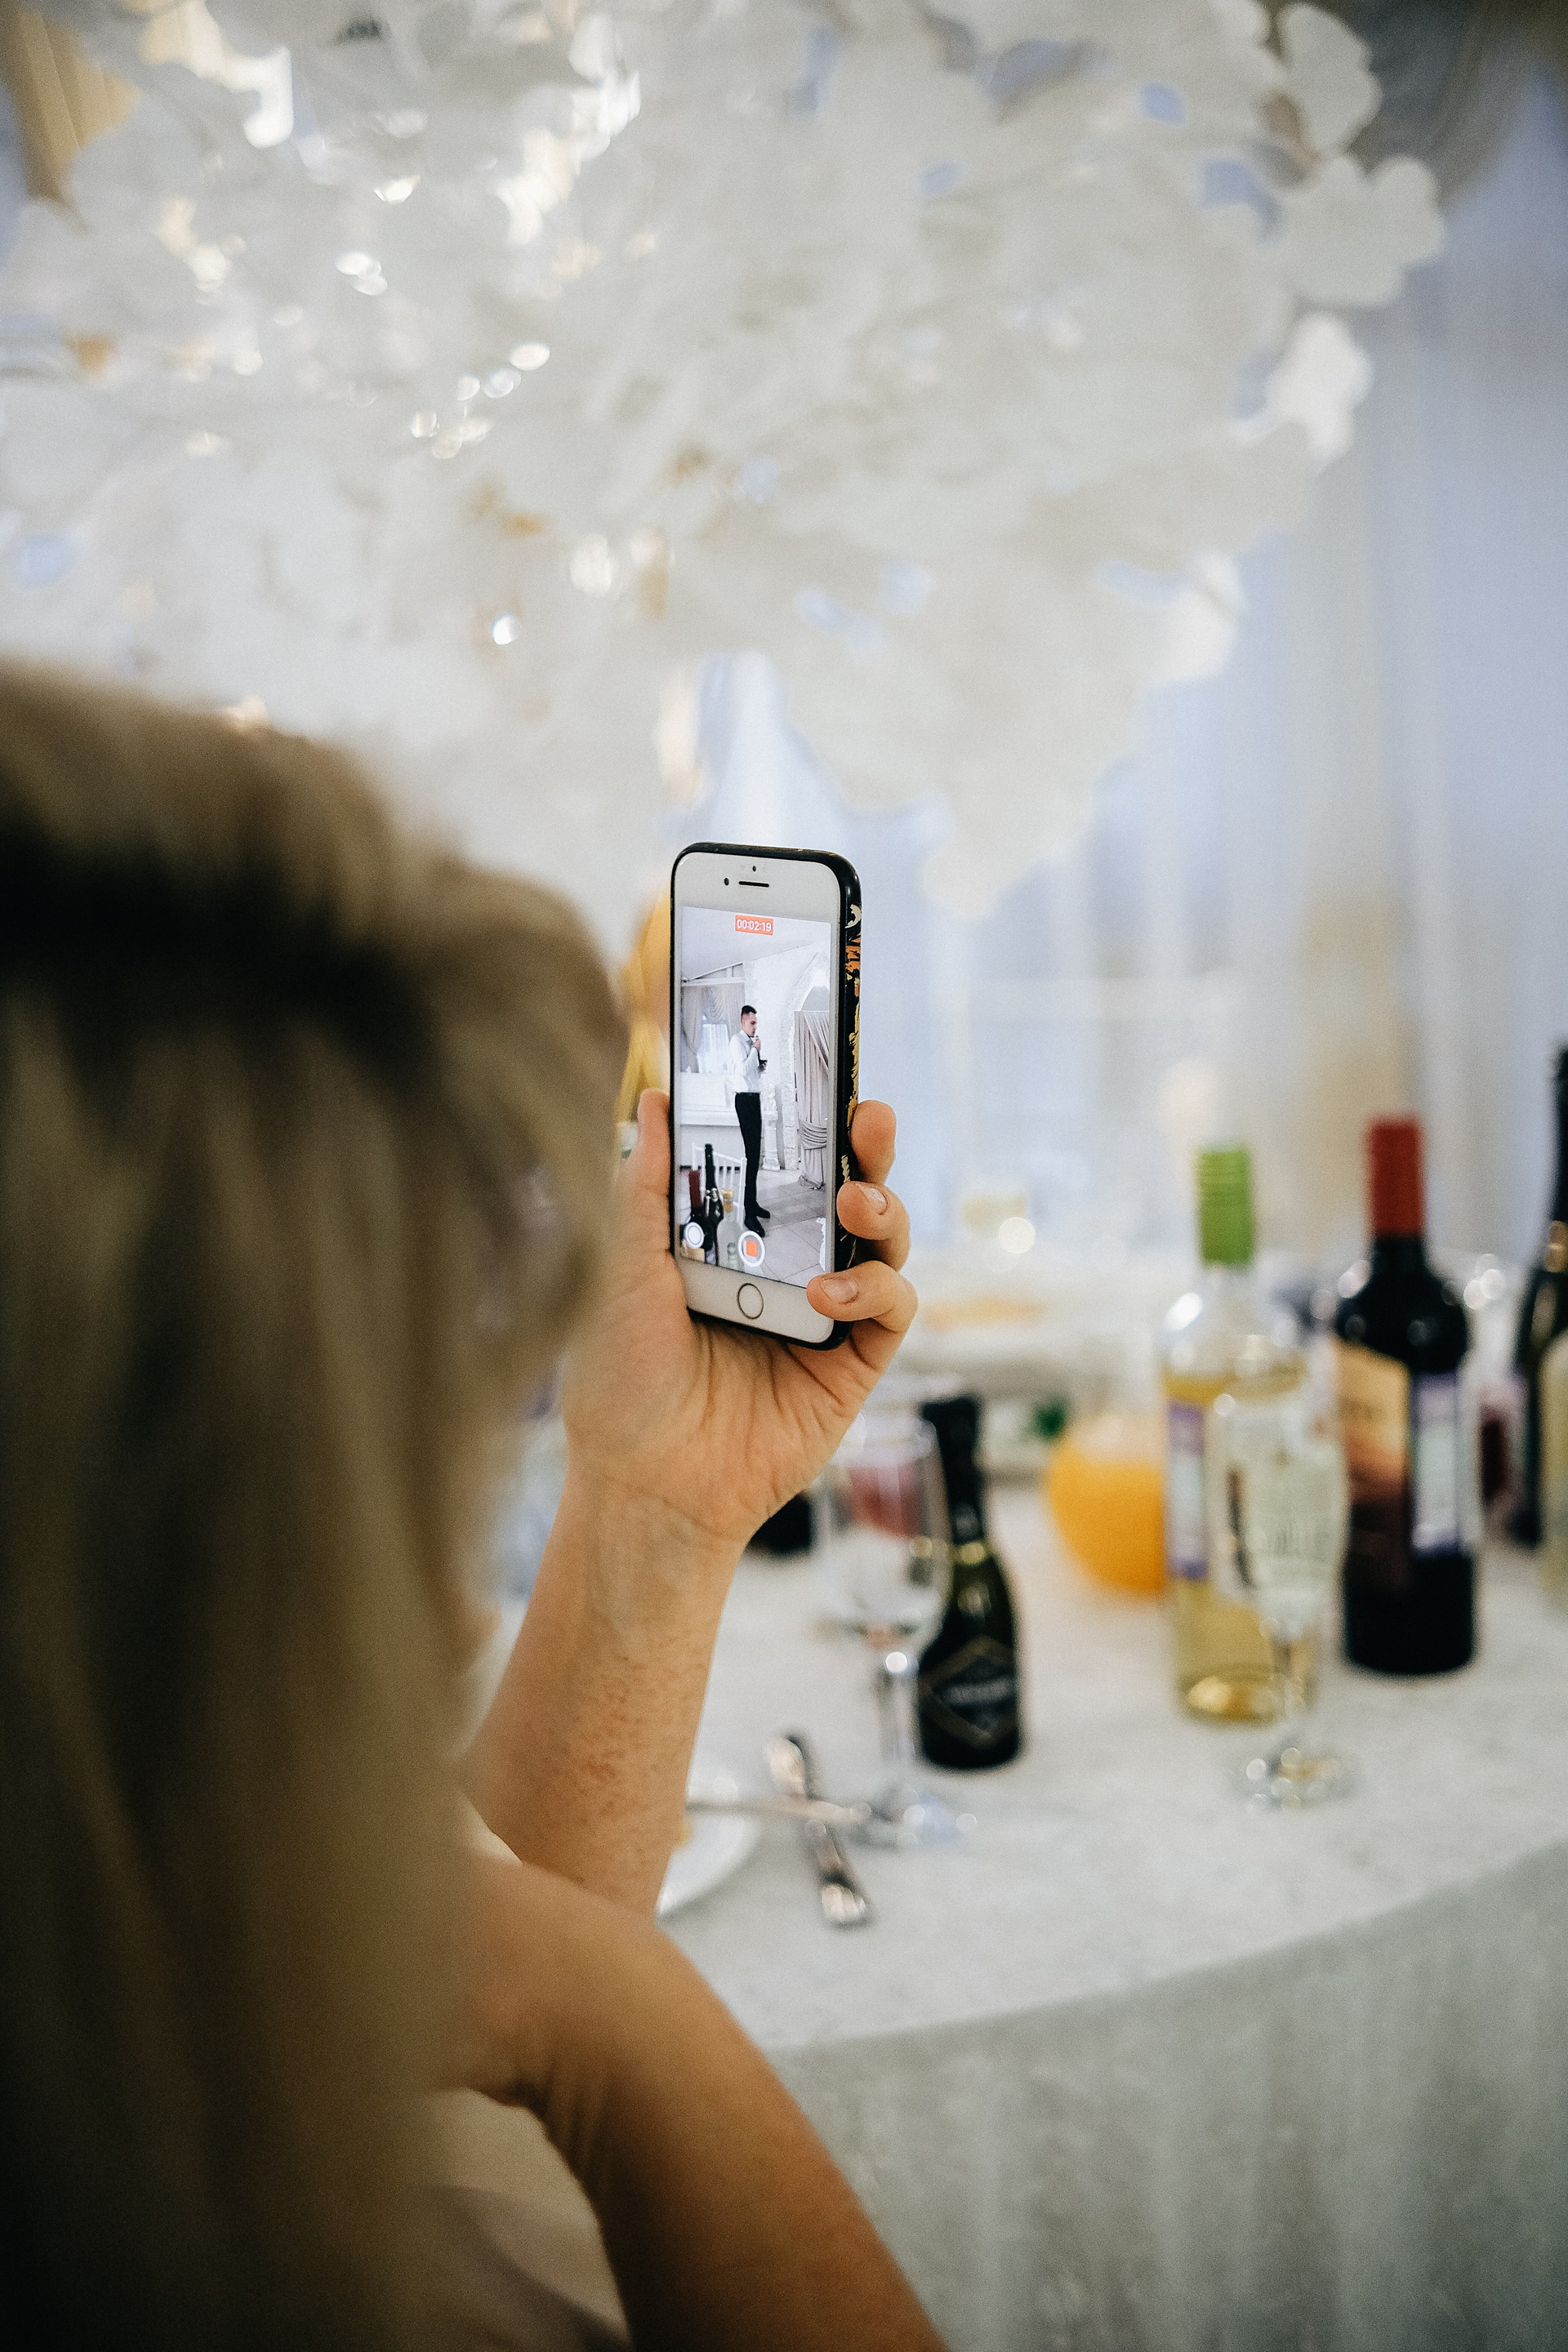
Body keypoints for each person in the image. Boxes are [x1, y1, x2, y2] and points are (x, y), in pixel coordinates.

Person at [0, 663, 944, 2352]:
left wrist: (658, 1507)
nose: (445, 1615)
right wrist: (638, 2037)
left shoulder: (130, 1792)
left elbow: (460, 2045)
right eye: (338, 1464)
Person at [725, 1003, 767, 1229]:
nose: (755, 1027)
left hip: (754, 1099)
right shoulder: (736, 1042)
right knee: (751, 1155)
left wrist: (760, 1067)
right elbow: (741, 1070)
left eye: (756, 1023)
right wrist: (754, 1051)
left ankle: (753, 1203)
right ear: (743, 1021)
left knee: (755, 1154)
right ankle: (749, 1214)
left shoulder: (751, 1043)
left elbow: (750, 1072)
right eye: (752, 1023)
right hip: (744, 1101)